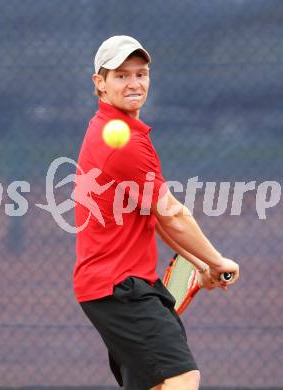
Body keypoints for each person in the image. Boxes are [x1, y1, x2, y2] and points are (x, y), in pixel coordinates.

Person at [73, 35, 240, 390]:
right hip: (119, 287)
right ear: (99, 83)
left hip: (116, 287)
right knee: (181, 377)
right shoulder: (124, 143)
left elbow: (153, 214)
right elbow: (172, 215)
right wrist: (217, 260)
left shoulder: (115, 129)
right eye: (121, 75)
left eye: (141, 73)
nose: (134, 83)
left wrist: (200, 264)